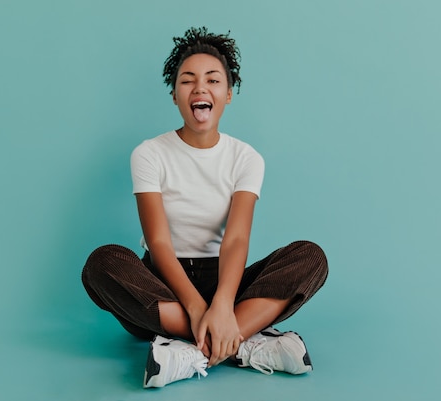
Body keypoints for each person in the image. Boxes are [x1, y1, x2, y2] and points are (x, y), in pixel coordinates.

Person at [81, 26, 328, 388]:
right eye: (187, 80)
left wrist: (223, 304)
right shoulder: (149, 153)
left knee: (311, 257)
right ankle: (238, 341)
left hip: (226, 282)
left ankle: (193, 352)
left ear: (227, 95)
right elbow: (159, 242)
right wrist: (198, 309)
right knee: (100, 264)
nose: (200, 88)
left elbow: (236, 238)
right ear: (174, 95)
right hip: (162, 286)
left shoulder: (246, 158)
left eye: (213, 80)